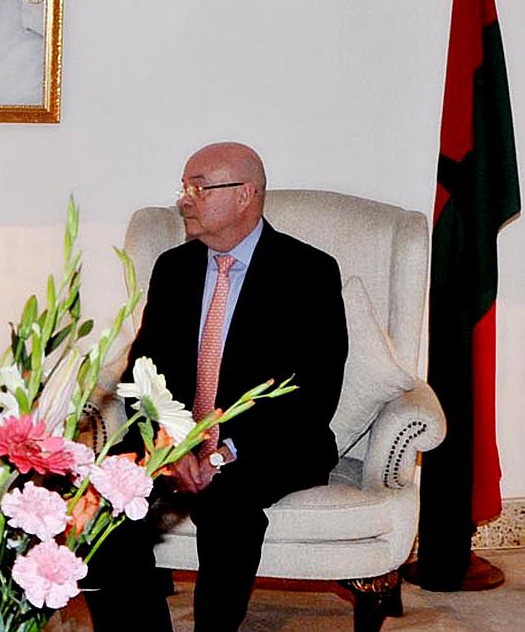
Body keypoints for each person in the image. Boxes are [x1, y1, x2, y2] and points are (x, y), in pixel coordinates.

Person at [84, 142, 348, 632]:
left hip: (271, 443)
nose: (185, 200)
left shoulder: (308, 272)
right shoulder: (174, 268)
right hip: (174, 438)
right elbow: (142, 371)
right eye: (185, 188)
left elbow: (313, 390)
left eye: (198, 188)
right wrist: (169, 441)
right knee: (105, 502)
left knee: (229, 509)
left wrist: (222, 453)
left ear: (245, 195)